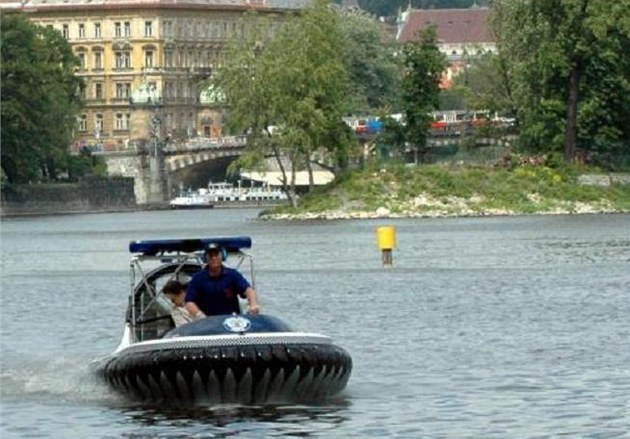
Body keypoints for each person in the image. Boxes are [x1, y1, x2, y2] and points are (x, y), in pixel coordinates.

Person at [185, 243, 260, 318]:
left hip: (232, 320)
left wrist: (253, 304)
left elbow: (248, 290)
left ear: (223, 256)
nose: (214, 258)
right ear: (205, 258)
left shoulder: (233, 275)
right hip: (207, 321)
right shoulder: (197, 278)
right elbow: (189, 302)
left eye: (216, 255)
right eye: (211, 255)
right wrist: (199, 315)